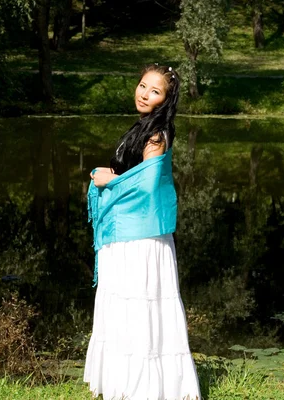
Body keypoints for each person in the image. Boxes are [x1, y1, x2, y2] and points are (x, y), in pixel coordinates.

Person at [84, 64, 201, 400]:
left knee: (140, 306)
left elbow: (148, 186)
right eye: (142, 86)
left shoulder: (156, 134)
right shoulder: (144, 128)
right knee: (125, 305)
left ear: (165, 100)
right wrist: (114, 172)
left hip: (141, 238)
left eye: (155, 91)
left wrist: (112, 180)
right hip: (130, 232)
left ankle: (144, 389)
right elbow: (135, 172)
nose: (144, 94)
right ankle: (125, 383)